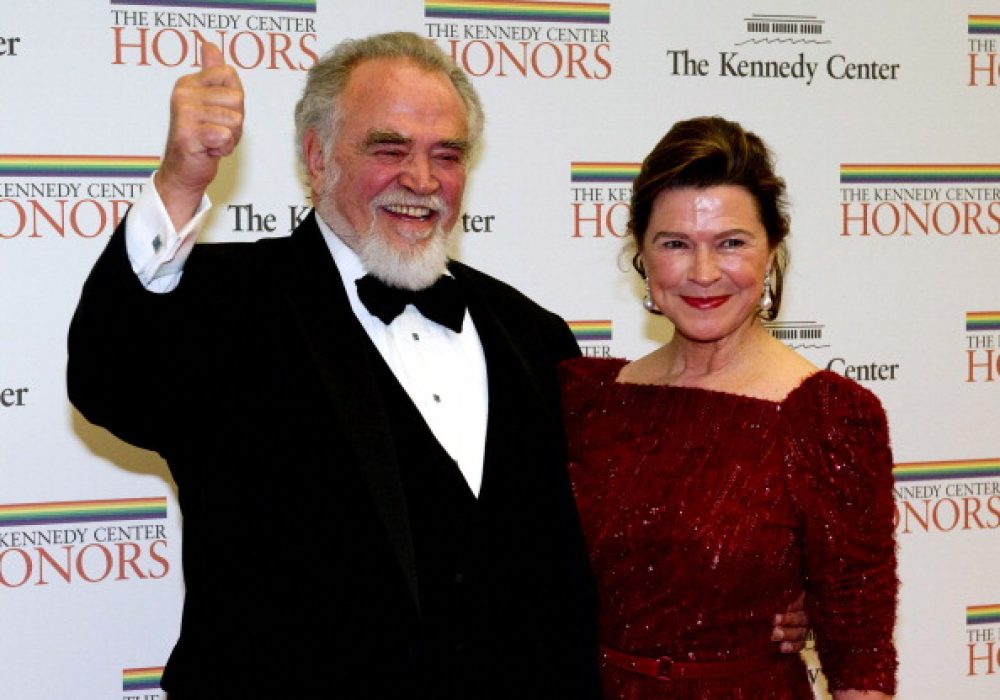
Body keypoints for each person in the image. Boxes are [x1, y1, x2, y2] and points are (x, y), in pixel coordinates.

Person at [68, 33, 806, 698]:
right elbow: (108, 377)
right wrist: (179, 181)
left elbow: (592, 546)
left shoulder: (533, 334)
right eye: (389, 149)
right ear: (318, 157)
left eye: (447, 155)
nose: (421, 179)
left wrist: (748, 596)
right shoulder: (227, 304)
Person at [559, 116, 898, 699]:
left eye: (731, 242)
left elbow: (860, 661)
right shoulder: (588, 398)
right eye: (675, 244)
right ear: (642, 254)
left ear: (771, 250)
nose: (703, 273)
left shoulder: (830, 419)